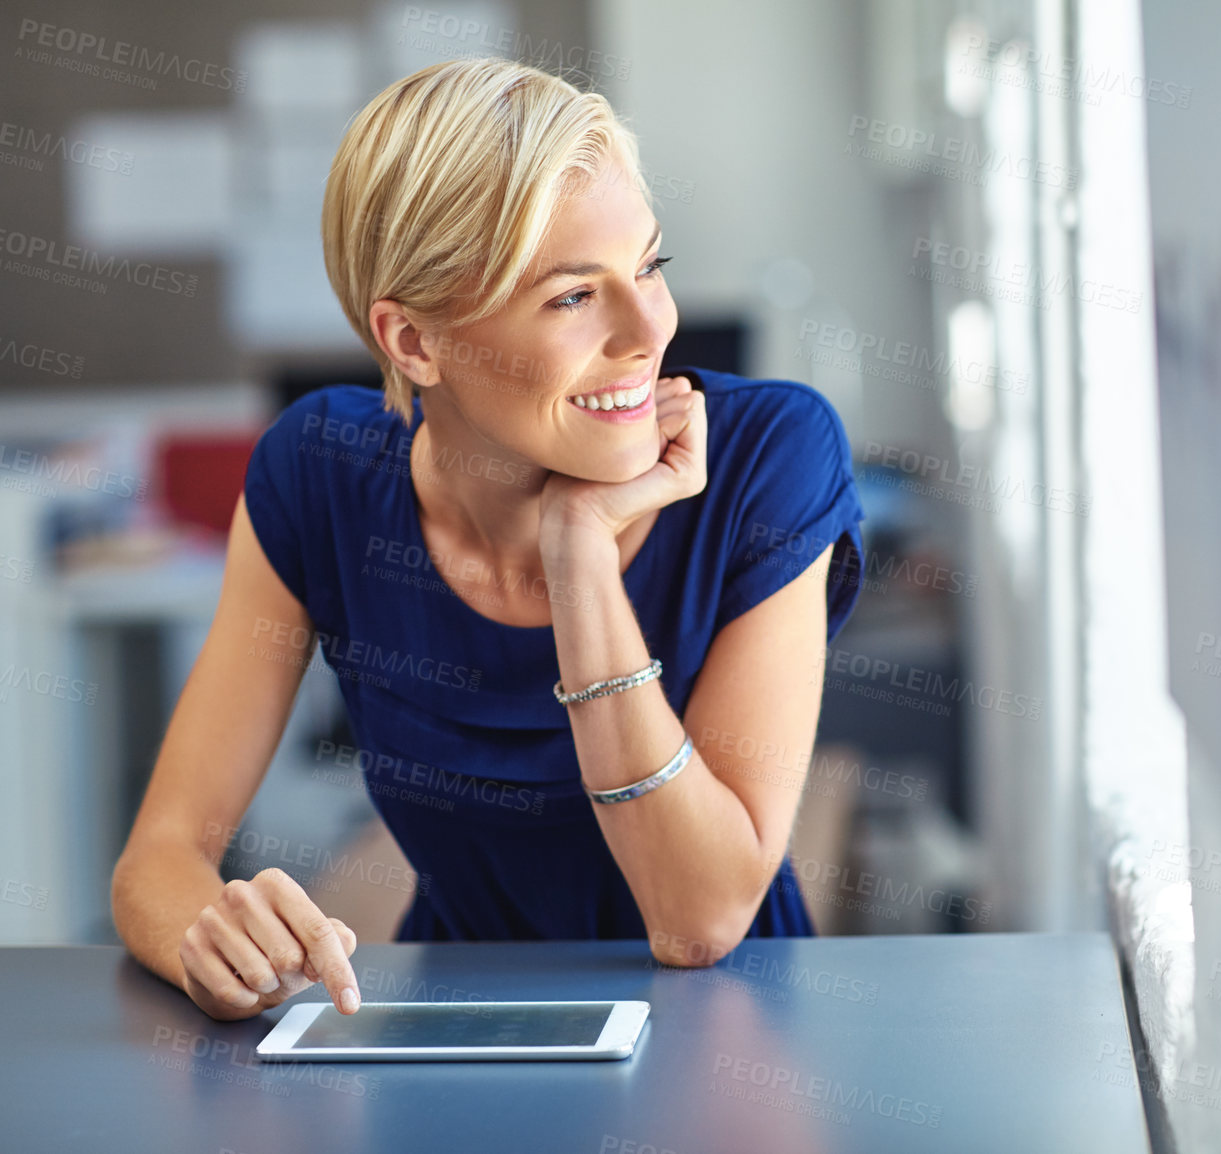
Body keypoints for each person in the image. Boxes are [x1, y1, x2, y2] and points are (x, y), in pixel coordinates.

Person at [110, 58, 865, 1022]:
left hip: (729, 1040)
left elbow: (700, 919)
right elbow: (160, 856)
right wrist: (209, 936)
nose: (649, 331)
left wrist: (581, 559)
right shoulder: (321, 473)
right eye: (571, 296)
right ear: (416, 343)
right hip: (457, 1035)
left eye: (649, 266)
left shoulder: (769, 458)